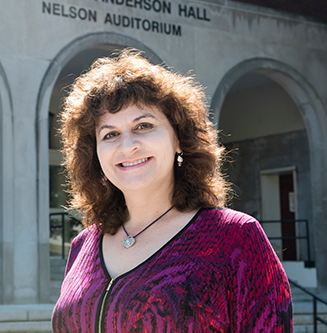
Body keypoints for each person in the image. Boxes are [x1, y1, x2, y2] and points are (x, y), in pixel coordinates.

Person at [51, 50, 293, 332]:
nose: (127, 145)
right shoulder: (83, 245)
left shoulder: (235, 237)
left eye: (143, 126)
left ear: (178, 138)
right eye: (110, 134)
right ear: (95, 153)